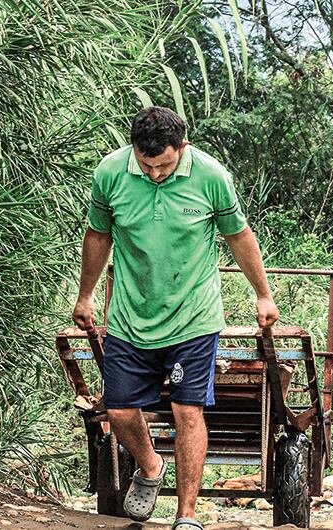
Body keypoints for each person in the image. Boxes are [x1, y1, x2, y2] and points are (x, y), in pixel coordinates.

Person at [72, 107, 279, 530]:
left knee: (188, 412)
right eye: (146, 165)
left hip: (194, 318)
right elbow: (98, 235)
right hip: (130, 315)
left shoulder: (210, 176)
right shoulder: (111, 173)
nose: (154, 174)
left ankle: (186, 516)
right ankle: (150, 468)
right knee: (120, 410)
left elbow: (238, 236)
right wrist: (86, 295)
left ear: (182, 148)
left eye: (164, 164)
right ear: (134, 150)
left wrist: (263, 294)